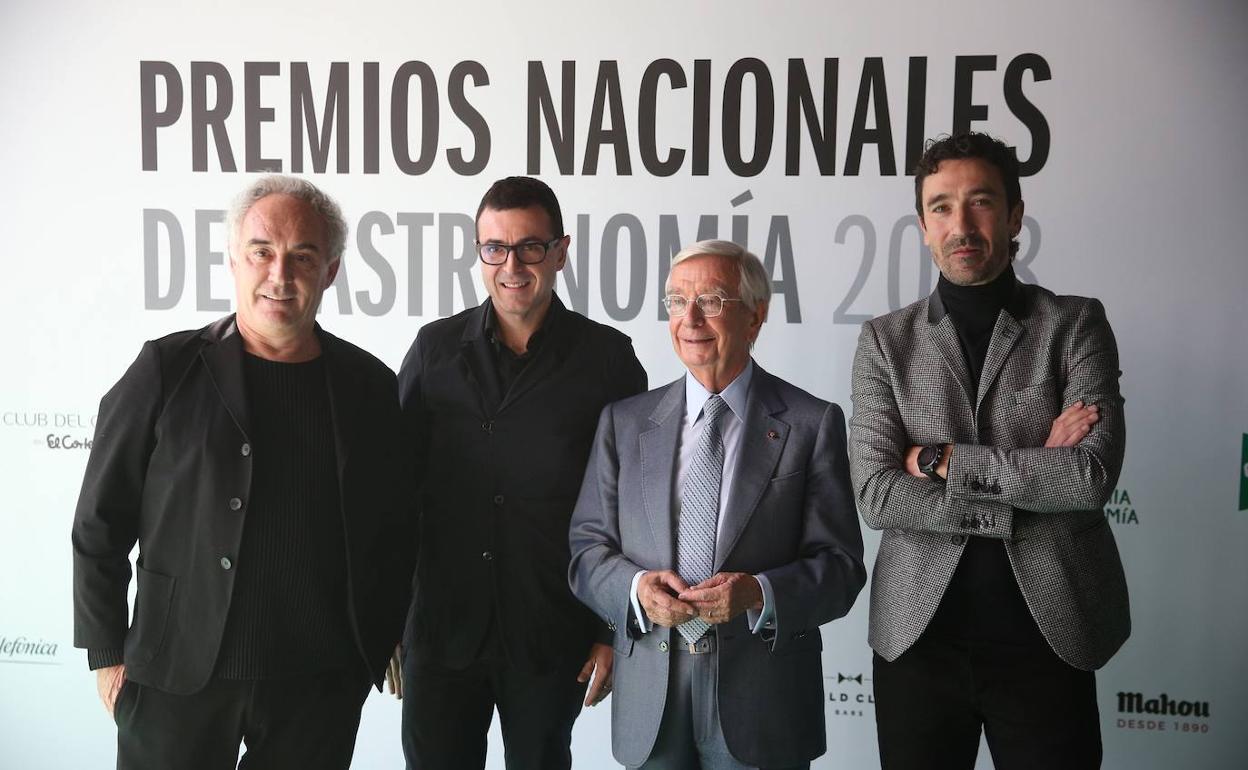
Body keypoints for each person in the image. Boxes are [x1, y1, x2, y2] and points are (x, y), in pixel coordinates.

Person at [71, 175, 414, 769]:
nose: (280, 274)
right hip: (175, 671)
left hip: (318, 683)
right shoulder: (165, 369)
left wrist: (384, 636)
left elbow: (396, 526)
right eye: (262, 251)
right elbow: (100, 521)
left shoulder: (370, 387)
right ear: (233, 259)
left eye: (302, 256)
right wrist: (106, 651)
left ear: (330, 271)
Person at [849, 132, 1130, 769]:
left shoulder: (1075, 324)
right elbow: (876, 493)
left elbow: (1087, 476)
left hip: (1047, 635)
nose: (962, 224)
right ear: (923, 225)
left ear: (1014, 215)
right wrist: (1035, 469)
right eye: (942, 207)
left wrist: (937, 460)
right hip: (919, 641)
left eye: (980, 202)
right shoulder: (885, 342)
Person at [569, 239, 866, 769]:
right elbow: (587, 552)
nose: (690, 318)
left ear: (756, 316)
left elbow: (841, 569)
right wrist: (637, 590)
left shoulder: (810, 423)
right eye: (676, 301)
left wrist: (759, 593)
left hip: (764, 699)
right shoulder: (625, 423)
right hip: (651, 698)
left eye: (710, 299)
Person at [395, 176, 647, 769]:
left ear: (560, 251)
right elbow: (394, 491)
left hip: (552, 631)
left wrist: (612, 631)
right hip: (440, 628)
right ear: (479, 252)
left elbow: (634, 508)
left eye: (530, 247)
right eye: (495, 248)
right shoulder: (434, 350)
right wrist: (388, 617)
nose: (512, 265)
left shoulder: (607, 360)